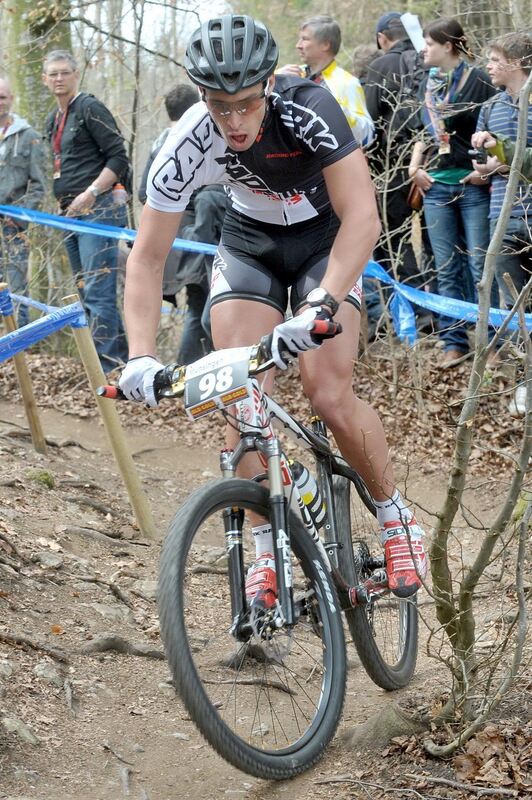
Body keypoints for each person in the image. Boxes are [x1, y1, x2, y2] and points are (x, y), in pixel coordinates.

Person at [119, 14, 427, 599]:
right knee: (235, 391)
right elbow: (147, 258)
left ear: (266, 88)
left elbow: (363, 216)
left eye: (244, 104)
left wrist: (323, 301)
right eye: (218, 105)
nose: (232, 120)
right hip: (249, 243)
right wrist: (138, 355)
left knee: (328, 393)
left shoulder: (309, 105)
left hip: (325, 241)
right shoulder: (186, 139)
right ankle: (267, 548)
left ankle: (395, 519)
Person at [408, 18, 498, 368]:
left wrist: (486, 170)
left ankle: (492, 344)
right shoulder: (427, 85)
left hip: (473, 185)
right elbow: (424, 132)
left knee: (479, 266)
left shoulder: (478, 79)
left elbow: (499, 124)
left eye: (429, 44)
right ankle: (454, 342)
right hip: (435, 186)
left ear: (448, 46)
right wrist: (414, 168)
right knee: (446, 267)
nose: (423, 50)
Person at [43, 50, 130, 373]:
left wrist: (92, 192)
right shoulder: (53, 118)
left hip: (99, 211)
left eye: (64, 72)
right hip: (68, 213)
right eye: (53, 73)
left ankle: (108, 366)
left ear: (76, 74)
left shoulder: (89, 107)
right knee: (84, 290)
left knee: (98, 290)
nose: (59, 78)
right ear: (45, 79)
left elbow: (119, 158)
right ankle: (111, 359)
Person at [138, 83, 228, 364]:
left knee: (200, 303)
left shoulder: (160, 143)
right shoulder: (199, 138)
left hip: (177, 238)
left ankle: (195, 366)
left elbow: (144, 193)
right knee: (202, 305)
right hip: (199, 236)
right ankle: (190, 368)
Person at [471, 32, 532, 417]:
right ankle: (525, 386)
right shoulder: (491, 106)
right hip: (502, 215)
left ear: (515, 61)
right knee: (515, 309)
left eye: (495, 58)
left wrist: (504, 160)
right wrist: (482, 167)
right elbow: (480, 164)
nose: (489, 65)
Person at [364, 13, 426, 292]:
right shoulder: (433, 62)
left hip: (393, 166)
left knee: (396, 240)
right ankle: (456, 317)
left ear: (382, 38)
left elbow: (369, 122)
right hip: (437, 163)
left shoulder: (380, 66)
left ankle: (418, 315)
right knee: (441, 243)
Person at [277, 15, 374, 147]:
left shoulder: (346, 83)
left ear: (325, 44)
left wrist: (337, 110)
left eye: (305, 39)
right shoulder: (288, 74)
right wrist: (275, 80)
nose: (298, 45)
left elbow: (367, 137)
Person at [0, 77, 46, 327]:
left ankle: (19, 341)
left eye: (2, 97)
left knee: (16, 283)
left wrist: (19, 216)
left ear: (11, 99)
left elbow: (39, 184)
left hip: (14, 224)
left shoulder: (29, 137)